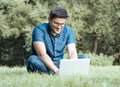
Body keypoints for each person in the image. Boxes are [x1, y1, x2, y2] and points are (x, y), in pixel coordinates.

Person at [26, 6, 86, 74]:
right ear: (49, 19)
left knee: (83, 57)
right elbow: (42, 54)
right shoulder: (39, 30)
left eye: (62, 24)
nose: (59, 27)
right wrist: (57, 71)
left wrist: (73, 66)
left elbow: (72, 52)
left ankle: (49, 72)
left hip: (58, 63)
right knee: (32, 60)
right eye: (56, 23)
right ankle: (55, 72)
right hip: (43, 62)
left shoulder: (68, 30)